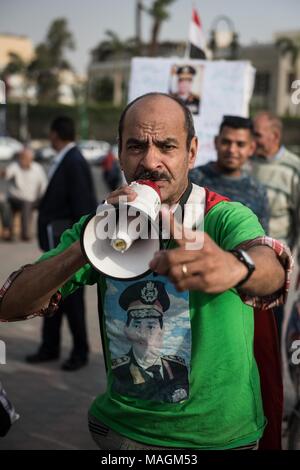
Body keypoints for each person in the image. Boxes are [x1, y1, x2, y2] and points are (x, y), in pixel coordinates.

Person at [0, 94, 292, 450]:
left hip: (216, 438)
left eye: (167, 146)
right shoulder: (97, 225)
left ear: (192, 152)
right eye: (136, 146)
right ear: (120, 152)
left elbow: (273, 268)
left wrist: (235, 267)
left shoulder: (221, 216)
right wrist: (89, 244)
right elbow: (11, 305)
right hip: (122, 434)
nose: (150, 162)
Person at [26, 116, 97, 371]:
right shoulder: (66, 159)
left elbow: (82, 207)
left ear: (55, 134)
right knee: (51, 297)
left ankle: (80, 352)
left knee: (73, 302)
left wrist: (73, 250)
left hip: (68, 247)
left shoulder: (74, 161)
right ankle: (49, 347)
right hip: (57, 244)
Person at [249, 111, 300, 339]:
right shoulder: (245, 165)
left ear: (275, 136)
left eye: (257, 135)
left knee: (275, 335)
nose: (251, 140)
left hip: (279, 272)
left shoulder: (294, 169)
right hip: (244, 268)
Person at [190, 115, 269, 233]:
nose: (232, 150)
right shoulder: (193, 179)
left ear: (251, 148)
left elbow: (262, 240)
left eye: (240, 144)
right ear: (216, 142)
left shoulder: (257, 191)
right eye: (226, 142)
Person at [0, 147, 47, 241]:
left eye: (25, 158)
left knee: (27, 203)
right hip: (15, 198)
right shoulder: (15, 166)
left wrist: (42, 198)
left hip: (32, 199)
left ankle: (25, 234)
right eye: (21, 158)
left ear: (31, 158)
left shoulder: (38, 168)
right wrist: (3, 172)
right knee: (4, 203)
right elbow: (7, 174)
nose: (22, 160)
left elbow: (44, 186)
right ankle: (8, 231)